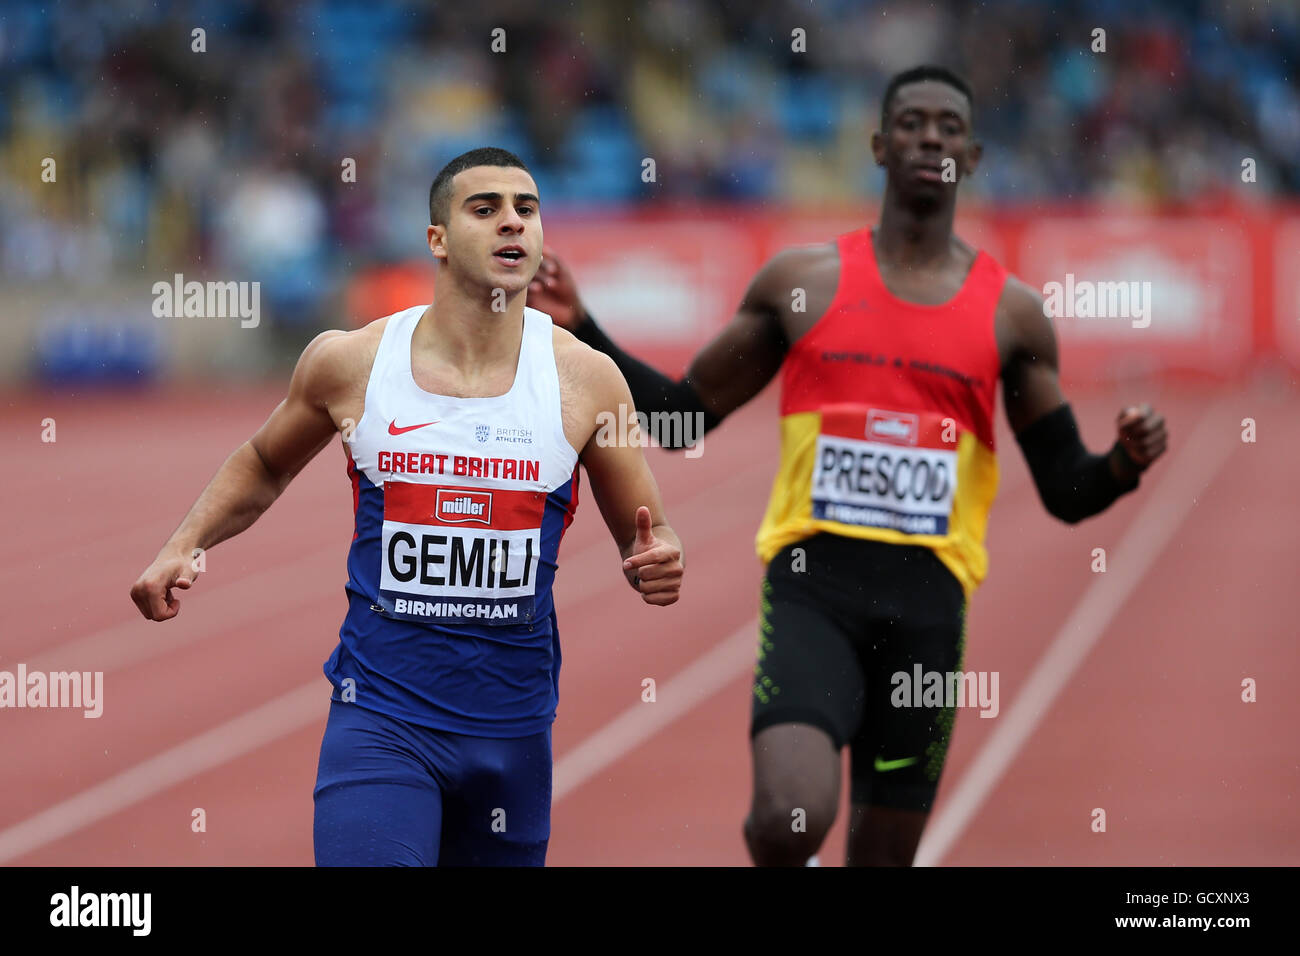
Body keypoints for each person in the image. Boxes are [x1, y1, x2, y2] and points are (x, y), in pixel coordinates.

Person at [526, 66, 1168, 866]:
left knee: (882, 859)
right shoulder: (804, 285)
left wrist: (1125, 462)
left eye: (946, 126)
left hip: (930, 608)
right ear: (878, 145)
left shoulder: (1013, 316)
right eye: (911, 123)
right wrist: (584, 326)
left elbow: (1069, 489)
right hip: (813, 588)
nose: (929, 137)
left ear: (971, 153)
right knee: (786, 817)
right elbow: (684, 417)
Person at [130, 147, 684, 866]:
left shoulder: (586, 380)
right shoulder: (355, 364)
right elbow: (265, 462)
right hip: (382, 721)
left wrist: (657, 561)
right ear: (438, 240)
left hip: (512, 736)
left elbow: (647, 532)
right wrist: (186, 542)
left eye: (527, 209)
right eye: (485, 209)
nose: (512, 224)